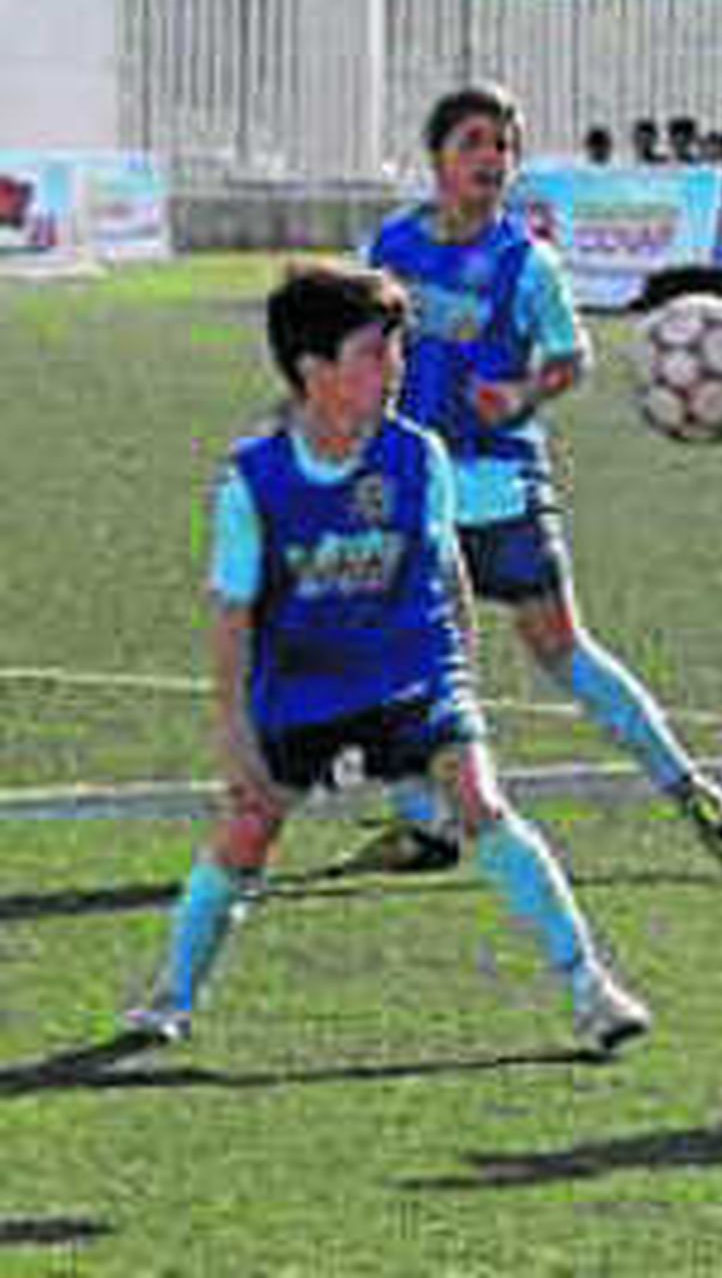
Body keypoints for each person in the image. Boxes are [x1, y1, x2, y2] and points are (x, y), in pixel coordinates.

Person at [123, 263, 651, 1054]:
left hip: (412, 669)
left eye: (397, 348)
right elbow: (233, 617)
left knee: (481, 801)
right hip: (300, 686)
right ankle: (170, 995)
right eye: (375, 352)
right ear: (314, 369)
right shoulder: (254, 482)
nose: (396, 367)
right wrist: (235, 733)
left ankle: (591, 987)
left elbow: (446, 574)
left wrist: (462, 682)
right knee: (248, 830)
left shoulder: (419, 456)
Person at [351, 85, 722, 873]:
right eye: (473, 143)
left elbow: (572, 358)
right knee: (393, 650)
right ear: (437, 157)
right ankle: (426, 821)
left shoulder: (525, 262)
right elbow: (363, 350)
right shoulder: (392, 248)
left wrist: (522, 393)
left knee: (562, 646)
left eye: (503, 146)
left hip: (499, 483)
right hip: (412, 486)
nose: (491, 160)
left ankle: (688, 788)